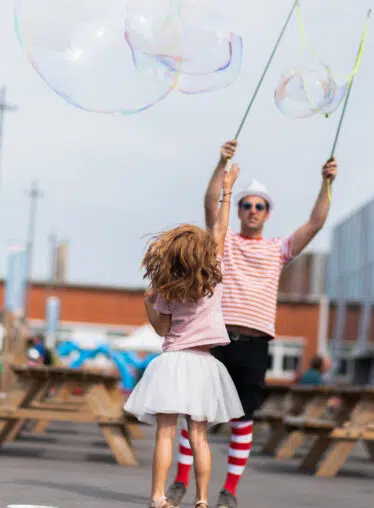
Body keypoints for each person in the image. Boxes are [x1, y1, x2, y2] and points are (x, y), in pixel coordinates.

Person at [167, 140, 338, 508]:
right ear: (240, 210)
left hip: (256, 345)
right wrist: (221, 163)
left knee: (243, 420)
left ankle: (229, 491)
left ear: (267, 213)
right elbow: (210, 203)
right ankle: (180, 482)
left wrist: (326, 183)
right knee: (196, 414)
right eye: (246, 205)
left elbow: (316, 223)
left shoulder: (278, 249)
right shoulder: (224, 240)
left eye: (259, 206)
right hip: (217, 339)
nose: (252, 211)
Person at [124, 165, 244, 508]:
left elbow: (162, 329)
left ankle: (158, 496)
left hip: (173, 363)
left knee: (165, 433)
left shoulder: (168, 289)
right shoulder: (213, 277)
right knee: (199, 436)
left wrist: (148, 304)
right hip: (204, 365)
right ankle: (202, 499)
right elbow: (220, 230)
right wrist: (227, 191)